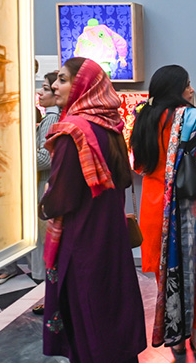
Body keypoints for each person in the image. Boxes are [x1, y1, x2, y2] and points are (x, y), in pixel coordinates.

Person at [40, 57, 146, 362]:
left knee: (87, 322)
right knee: (111, 316)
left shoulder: (72, 131)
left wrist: (43, 203)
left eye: (63, 80)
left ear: (83, 87)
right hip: (111, 240)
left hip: (81, 243)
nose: (55, 86)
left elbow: (61, 199)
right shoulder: (110, 127)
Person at [129, 65, 196, 358]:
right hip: (192, 205)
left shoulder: (143, 118)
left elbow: (138, 165)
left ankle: (175, 337)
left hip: (157, 207)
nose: (191, 90)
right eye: (187, 84)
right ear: (176, 88)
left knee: (165, 273)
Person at [29, 70, 60, 314]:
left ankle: (47, 299)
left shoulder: (51, 119)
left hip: (45, 185)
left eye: (46, 88)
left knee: (45, 242)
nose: (41, 92)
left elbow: (44, 158)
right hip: (48, 185)